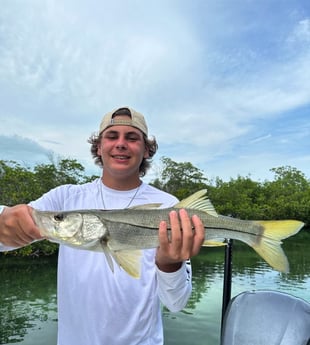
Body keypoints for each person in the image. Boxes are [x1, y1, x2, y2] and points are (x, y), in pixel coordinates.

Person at [0, 106, 205, 345]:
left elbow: (176, 303)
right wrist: (6, 219)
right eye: (111, 136)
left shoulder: (169, 207)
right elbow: (12, 230)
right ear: (98, 146)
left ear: (147, 149)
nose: (120, 144)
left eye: (132, 138)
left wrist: (170, 264)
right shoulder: (65, 199)